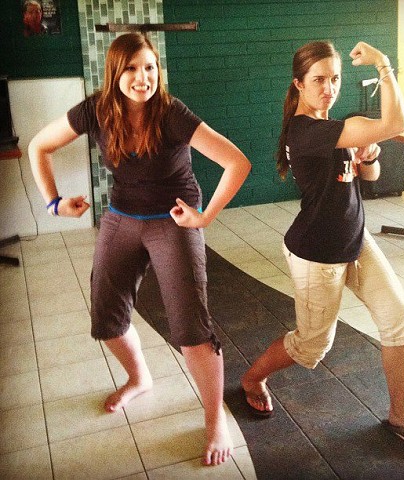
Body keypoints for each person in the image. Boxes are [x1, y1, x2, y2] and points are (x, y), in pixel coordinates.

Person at [29, 32, 251, 466]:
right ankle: (139, 378)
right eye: (131, 68)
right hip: (122, 216)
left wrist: (204, 217)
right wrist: (54, 203)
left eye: (150, 67)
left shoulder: (171, 113)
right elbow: (40, 145)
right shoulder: (95, 110)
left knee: (191, 330)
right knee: (106, 318)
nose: (142, 77)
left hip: (173, 218)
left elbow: (236, 162)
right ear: (114, 73)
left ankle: (215, 420)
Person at [241, 40, 404, 457]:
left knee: (400, 323)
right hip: (316, 252)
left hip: (355, 240)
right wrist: (383, 64)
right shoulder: (306, 131)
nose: (328, 88)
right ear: (298, 84)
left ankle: (400, 414)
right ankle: (252, 378)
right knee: (311, 346)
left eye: (335, 79)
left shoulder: (333, 126)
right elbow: (396, 121)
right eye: (318, 80)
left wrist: (367, 157)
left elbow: (369, 176)